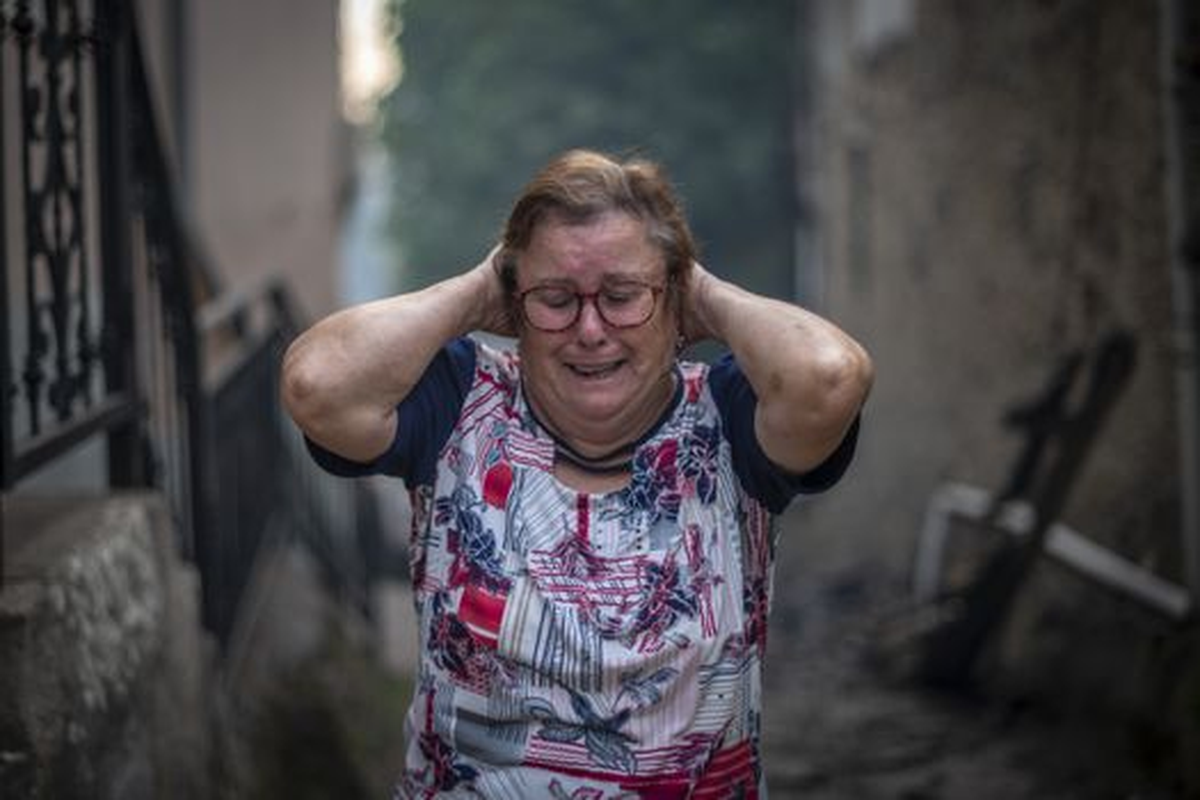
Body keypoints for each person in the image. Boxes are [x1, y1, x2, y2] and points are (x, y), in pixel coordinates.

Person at [282, 149, 873, 798]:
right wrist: (480, 290)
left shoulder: (731, 420)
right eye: (556, 299)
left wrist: (697, 292)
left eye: (622, 296)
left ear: (672, 298)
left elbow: (831, 377)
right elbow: (317, 386)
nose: (590, 330)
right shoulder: (458, 404)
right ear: (515, 304)